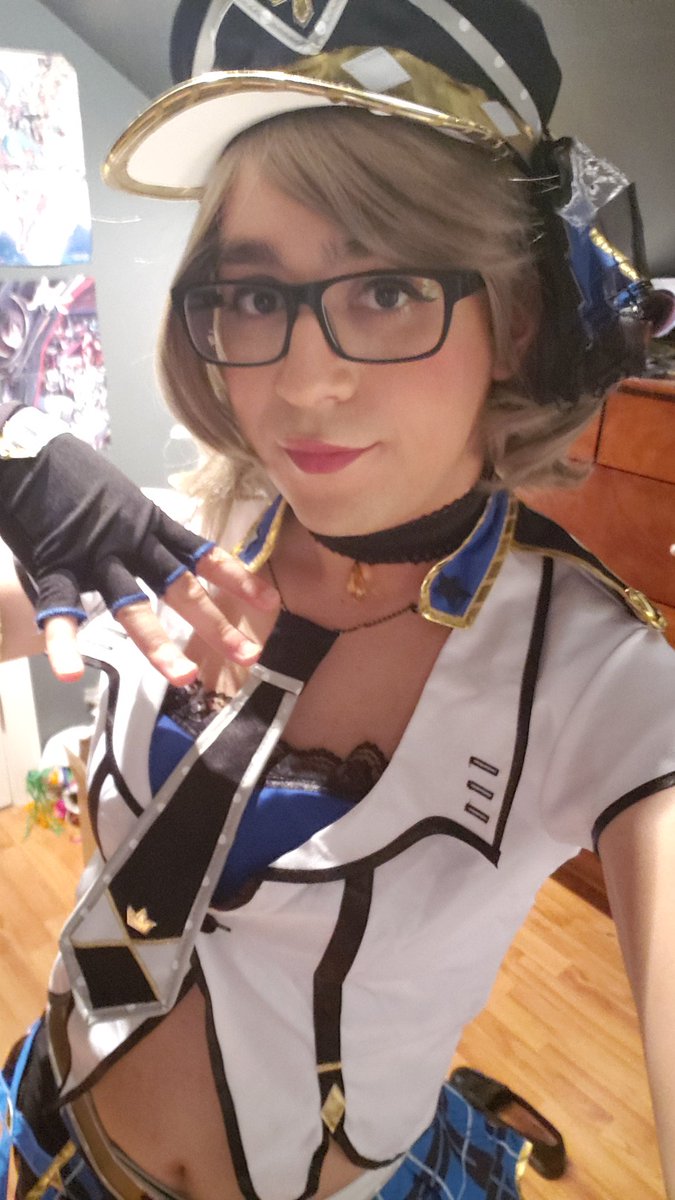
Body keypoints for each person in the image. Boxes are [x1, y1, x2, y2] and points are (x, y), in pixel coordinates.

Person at [1, 2, 674, 1199]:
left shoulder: (596, 680)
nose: (307, 381)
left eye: (391, 289)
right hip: (44, 1134)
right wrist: (10, 463)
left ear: (515, 321)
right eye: (257, 296)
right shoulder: (171, 546)